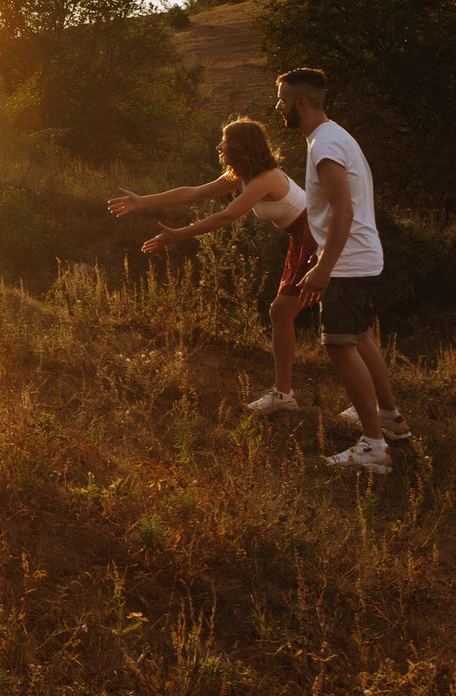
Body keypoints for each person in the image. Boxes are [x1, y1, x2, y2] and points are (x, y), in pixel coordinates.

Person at [108, 117, 315, 409]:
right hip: (304, 238)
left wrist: (179, 234)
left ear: (241, 147)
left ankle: (287, 395)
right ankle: (286, 394)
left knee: (297, 315)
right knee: (294, 314)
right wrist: (143, 201)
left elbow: (226, 216)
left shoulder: (266, 178)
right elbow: (193, 192)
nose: (219, 146)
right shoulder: (242, 176)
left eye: (225, 142)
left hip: (316, 238)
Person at [275, 67, 407, 475]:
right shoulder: (333, 137)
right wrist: (320, 259)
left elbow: (344, 210)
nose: (277, 106)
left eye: (281, 99)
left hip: (349, 262)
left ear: (301, 102)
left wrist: (323, 268)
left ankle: (374, 448)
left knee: (338, 344)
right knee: (360, 336)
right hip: (359, 256)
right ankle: (389, 417)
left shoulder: (326, 144)